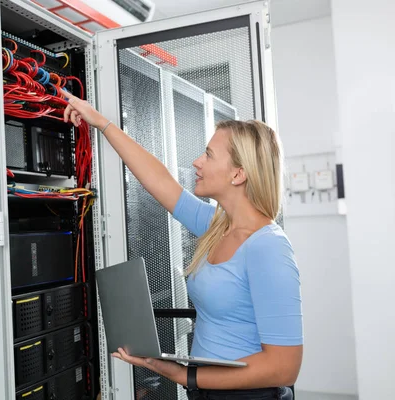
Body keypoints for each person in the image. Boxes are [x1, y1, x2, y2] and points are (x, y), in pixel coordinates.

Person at [62, 91, 303, 400]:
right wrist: (102, 123)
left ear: (238, 174)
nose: (196, 162)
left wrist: (184, 374)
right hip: (205, 392)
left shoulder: (268, 249)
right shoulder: (216, 226)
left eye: (209, 155)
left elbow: (283, 367)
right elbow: (160, 180)